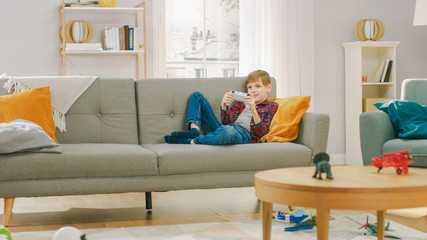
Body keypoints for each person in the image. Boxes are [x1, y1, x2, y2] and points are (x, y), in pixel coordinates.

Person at [164, 70, 279, 145]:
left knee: (229, 131)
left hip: (243, 135)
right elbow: (227, 122)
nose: (253, 90)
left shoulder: (271, 106)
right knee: (196, 96)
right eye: (250, 87)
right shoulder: (241, 102)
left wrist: (254, 111)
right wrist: (223, 106)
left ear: (268, 88)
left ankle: (192, 141)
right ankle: (194, 130)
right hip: (225, 129)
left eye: (258, 86)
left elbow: (263, 134)